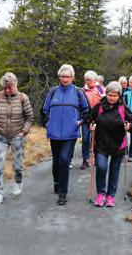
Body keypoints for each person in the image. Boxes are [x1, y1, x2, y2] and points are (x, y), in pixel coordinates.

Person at [42, 64, 90, 205]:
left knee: (64, 160)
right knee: (56, 162)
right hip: (54, 133)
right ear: (59, 77)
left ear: (72, 78)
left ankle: (63, 193)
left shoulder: (78, 92)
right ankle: (57, 183)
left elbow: (87, 112)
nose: (65, 79)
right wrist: (47, 123)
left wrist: (79, 122)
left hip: (70, 133)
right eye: (62, 76)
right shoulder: (53, 92)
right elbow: (44, 110)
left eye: (67, 77)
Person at [0, 72, 34, 206]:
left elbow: (29, 117)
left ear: (16, 85)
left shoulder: (22, 98)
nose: (7, 90)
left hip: (17, 136)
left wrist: (23, 132)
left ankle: (18, 181)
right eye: (5, 88)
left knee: (18, 166)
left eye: (10, 87)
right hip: (1, 137)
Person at [89, 81, 132, 207]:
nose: (112, 98)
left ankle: (110, 196)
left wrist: (130, 126)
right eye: (110, 95)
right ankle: (100, 194)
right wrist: (91, 125)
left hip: (118, 144)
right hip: (101, 144)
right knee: (101, 167)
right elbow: (90, 118)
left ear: (119, 96)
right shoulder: (99, 106)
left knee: (114, 171)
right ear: (106, 94)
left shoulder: (123, 108)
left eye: (115, 96)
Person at [80, 70, 104, 170]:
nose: (87, 82)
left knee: (97, 139)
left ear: (95, 80)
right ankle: (85, 160)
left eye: (89, 80)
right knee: (85, 139)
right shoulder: (81, 91)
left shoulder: (100, 89)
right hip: (86, 119)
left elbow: (105, 101)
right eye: (86, 80)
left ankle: (97, 158)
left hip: (98, 118)